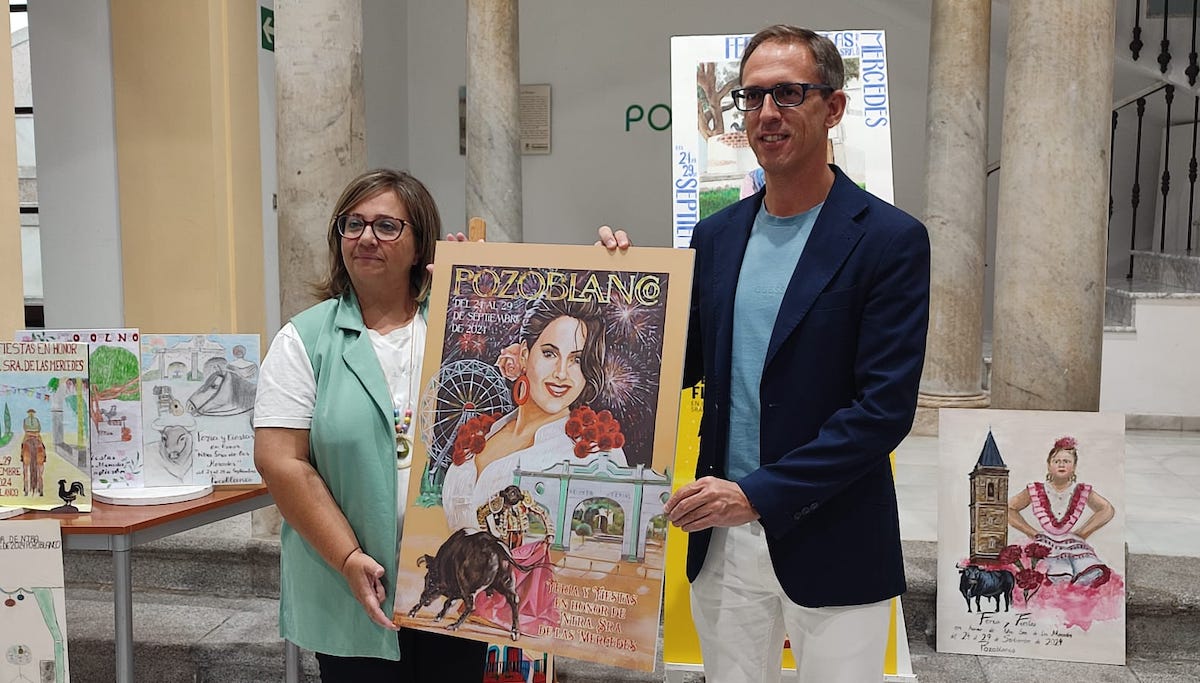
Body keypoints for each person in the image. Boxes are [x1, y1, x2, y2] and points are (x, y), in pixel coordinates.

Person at [600, 25, 930, 683]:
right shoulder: (716, 236)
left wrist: (755, 494)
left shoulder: (890, 241)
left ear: (832, 108)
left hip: (832, 531)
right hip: (723, 544)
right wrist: (620, 292)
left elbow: (882, 412)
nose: (766, 114)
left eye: (788, 93)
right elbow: (675, 365)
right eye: (750, 98)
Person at [254, 169, 486, 681]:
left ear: (419, 240)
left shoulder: (459, 326)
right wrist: (348, 556)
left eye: (386, 226)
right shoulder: (303, 339)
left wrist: (478, 291)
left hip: (454, 570)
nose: (365, 238)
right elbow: (280, 461)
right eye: (352, 224)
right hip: (352, 581)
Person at [439, 296, 627, 634]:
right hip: (458, 626)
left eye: (577, 360)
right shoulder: (483, 433)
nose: (561, 374)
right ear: (524, 355)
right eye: (550, 353)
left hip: (532, 636)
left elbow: (602, 561)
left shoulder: (596, 454)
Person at [1008, 436, 1115, 587]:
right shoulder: (1035, 489)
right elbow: (1009, 509)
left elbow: (1107, 509)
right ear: (1048, 465)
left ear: (1074, 466)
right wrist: (1030, 532)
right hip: (1043, 544)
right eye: (1057, 461)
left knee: (1084, 573)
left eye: (1066, 461)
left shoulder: (1081, 490)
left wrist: (1082, 533)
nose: (1061, 465)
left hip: (1073, 546)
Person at [21, 408, 46, 496]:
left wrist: (31, 431)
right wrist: (34, 431)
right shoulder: (33, 420)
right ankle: (44, 456)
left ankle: (22, 456)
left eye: (31, 413)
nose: (31, 414)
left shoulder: (28, 420)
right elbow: (37, 428)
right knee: (40, 444)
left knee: (25, 444)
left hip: (30, 434)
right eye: (30, 413)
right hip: (34, 434)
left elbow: (26, 428)